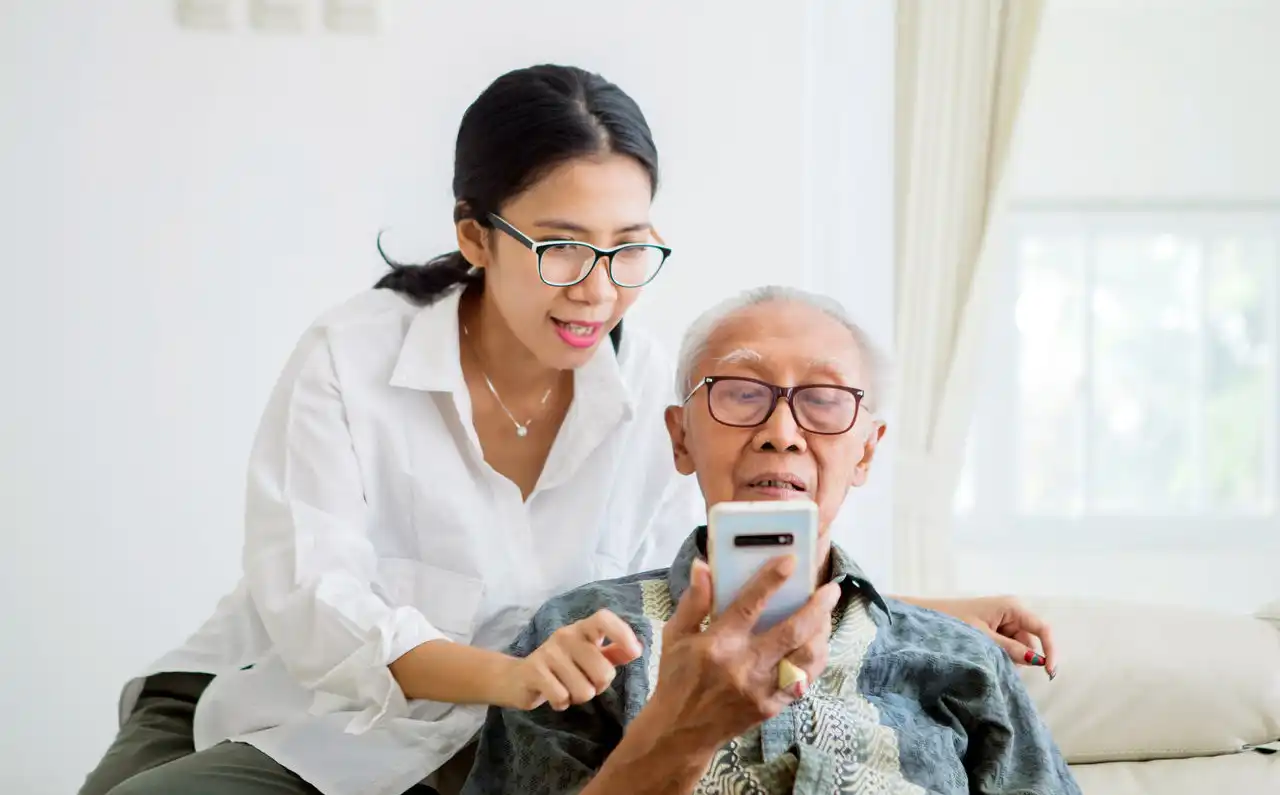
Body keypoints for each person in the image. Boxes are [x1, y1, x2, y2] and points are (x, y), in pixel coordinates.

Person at [79, 65, 1056, 795]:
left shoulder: (650, 396)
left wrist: (921, 611)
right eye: (559, 248)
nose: (598, 290)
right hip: (293, 693)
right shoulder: (352, 356)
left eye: (629, 252)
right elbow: (315, 606)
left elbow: (704, 569)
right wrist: (508, 676)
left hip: (488, 728)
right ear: (474, 235)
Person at [461, 286, 1079, 795]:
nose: (780, 432)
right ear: (680, 439)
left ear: (866, 451)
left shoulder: (961, 660)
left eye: (824, 400)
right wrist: (677, 736)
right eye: (741, 395)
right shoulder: (581, 639)